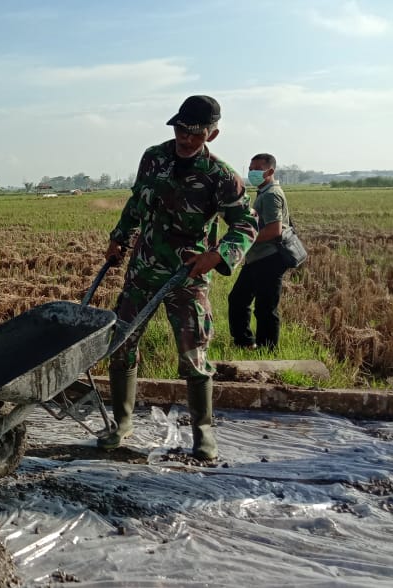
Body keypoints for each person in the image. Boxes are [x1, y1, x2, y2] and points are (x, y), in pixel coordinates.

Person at [99, 95, 258, 461]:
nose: (186, 139)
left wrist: (217, 255)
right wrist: (118, 238)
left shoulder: (221, 177)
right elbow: (137, 202)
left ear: (212, 135)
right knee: (121, 343)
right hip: (143, 269)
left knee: (193, 353)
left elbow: (246, 224)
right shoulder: (153, 157)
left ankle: (203, 433)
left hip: (188, 275)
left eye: (195, 134)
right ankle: (121, 423)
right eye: (181, 130)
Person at [228, 154, 290, 350]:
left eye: (257, 169)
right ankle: (245, 343)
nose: (252, 172)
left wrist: (244, 240)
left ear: (270, 171)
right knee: (238, 300)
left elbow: (274, 230)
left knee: (265, 308)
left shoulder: (271, 194)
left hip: (269, 258)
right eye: (250, 168)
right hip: (258, 258)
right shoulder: (264, 192)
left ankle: (267, 350)